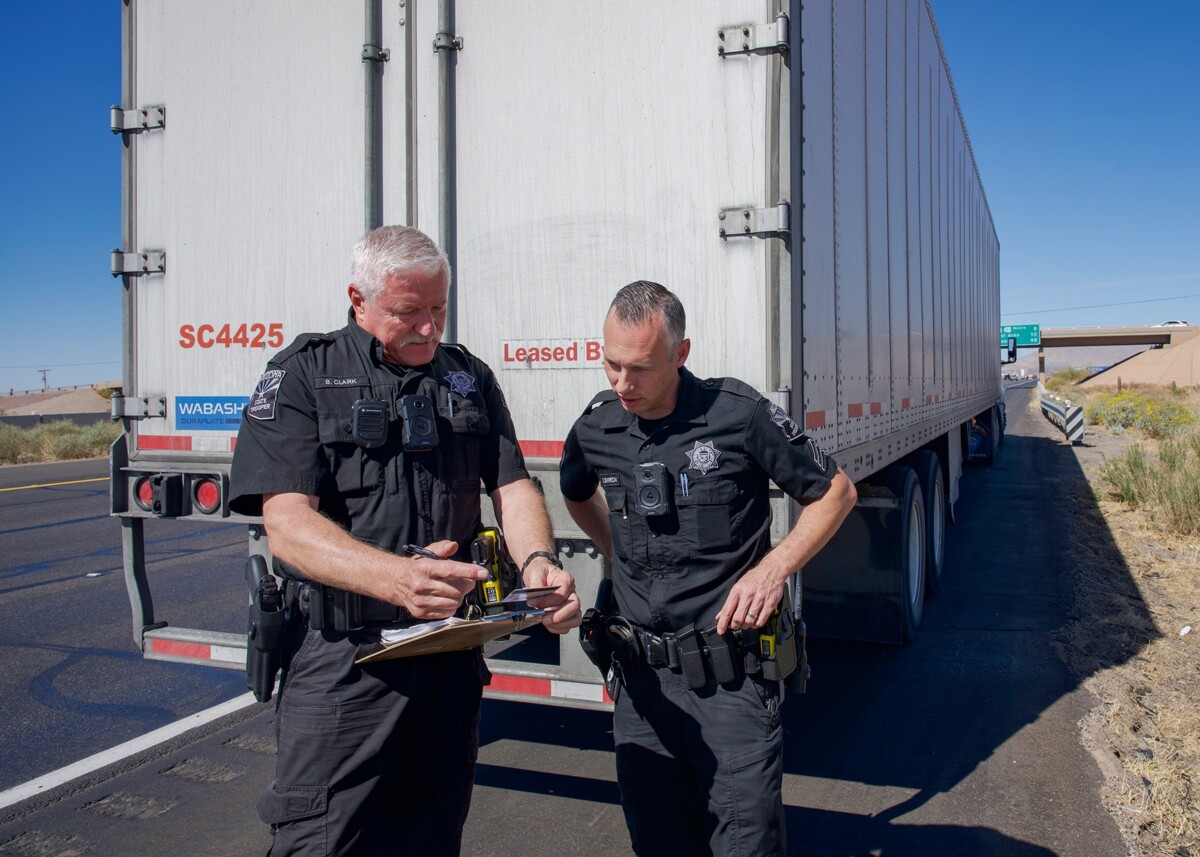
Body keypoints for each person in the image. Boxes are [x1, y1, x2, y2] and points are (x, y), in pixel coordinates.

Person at [228, 225, 581, 857]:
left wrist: (538, 562)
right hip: (346, 660)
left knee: (431, 835)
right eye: (407, 312)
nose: (427, 328)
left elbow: (513, 486)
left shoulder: (466, 376)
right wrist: (396, 579)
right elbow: (288, 525)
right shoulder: (304, 375)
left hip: (447, 659)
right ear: (358, 300)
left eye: (439, 309)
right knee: (322, 843)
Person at [559, 281, 856, 856]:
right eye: (612, 364)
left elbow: (836, 492)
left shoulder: (737, 415)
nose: (623, 384)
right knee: (659, 842)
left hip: (730, 684)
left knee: (744, 843)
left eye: (640, 369)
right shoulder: (597, 424)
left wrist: (774, 570)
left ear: (681, 353)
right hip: (642, 687)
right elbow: (576, 492)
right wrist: (614, 551)